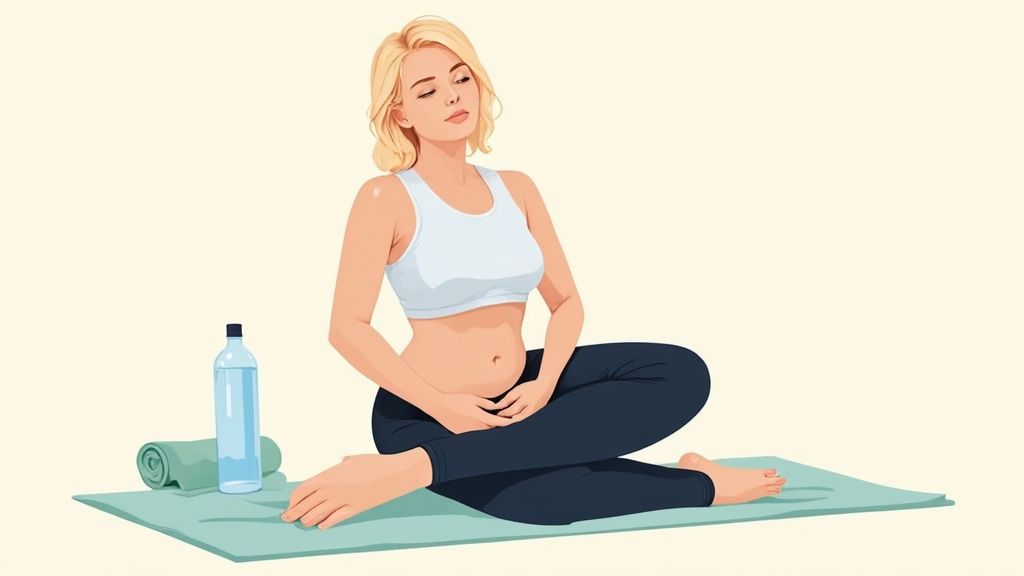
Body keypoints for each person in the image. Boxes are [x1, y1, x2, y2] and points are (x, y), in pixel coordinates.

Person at [281, 15, 786, 530]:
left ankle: (420, 469)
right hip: (423, 410)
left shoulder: (516, 188)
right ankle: (702, 484)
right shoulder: (384, 197)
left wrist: (545, 384)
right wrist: (444, 407)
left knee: (681, 372)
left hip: (523, 390)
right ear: (401, 112)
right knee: (541, 500)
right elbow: (347, 328)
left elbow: (566, 303)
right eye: (428, 91)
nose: (453, 96)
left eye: (461, 78)